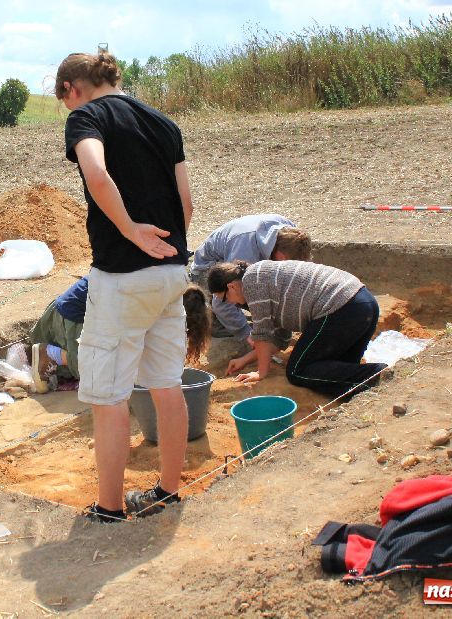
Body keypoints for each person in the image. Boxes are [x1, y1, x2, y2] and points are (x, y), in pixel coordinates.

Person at [56, 51, 194, 523]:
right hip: (173, 272)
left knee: (108, 399)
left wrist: (132, 230)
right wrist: (163, 243)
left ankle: (109, 508)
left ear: (73, 89)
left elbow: (96, 172)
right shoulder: (164, 123)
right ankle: (168, 492)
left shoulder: (87, 118)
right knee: (166, 385)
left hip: (121, 278)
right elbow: (186, 204)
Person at [206, 259, 387, 398]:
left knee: (298, 371)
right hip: (363, 303)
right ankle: (380, 384)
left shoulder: (252, 284)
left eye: (224, 298)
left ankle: (381, 373)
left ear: (231, 286)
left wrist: (261, 372)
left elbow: (261, 334)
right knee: (338, 373)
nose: (230, 303)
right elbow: (279, 339)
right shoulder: (263, 276)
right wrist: (245, 359)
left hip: (341, 308)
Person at [30, 277, 211, 392]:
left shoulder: (163, 290)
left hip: (93, 316)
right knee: (97, 372)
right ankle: (50, 354)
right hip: (70, 317)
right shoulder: (150, 300)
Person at [190, 215, 310, 343]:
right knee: (242, 297)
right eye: (284, 263)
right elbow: (222, 300)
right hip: (206, 269)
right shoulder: (246, 251)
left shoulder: (292, 234)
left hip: (239, 262)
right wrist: (248, 335)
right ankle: (216, 322)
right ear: (278, 253)